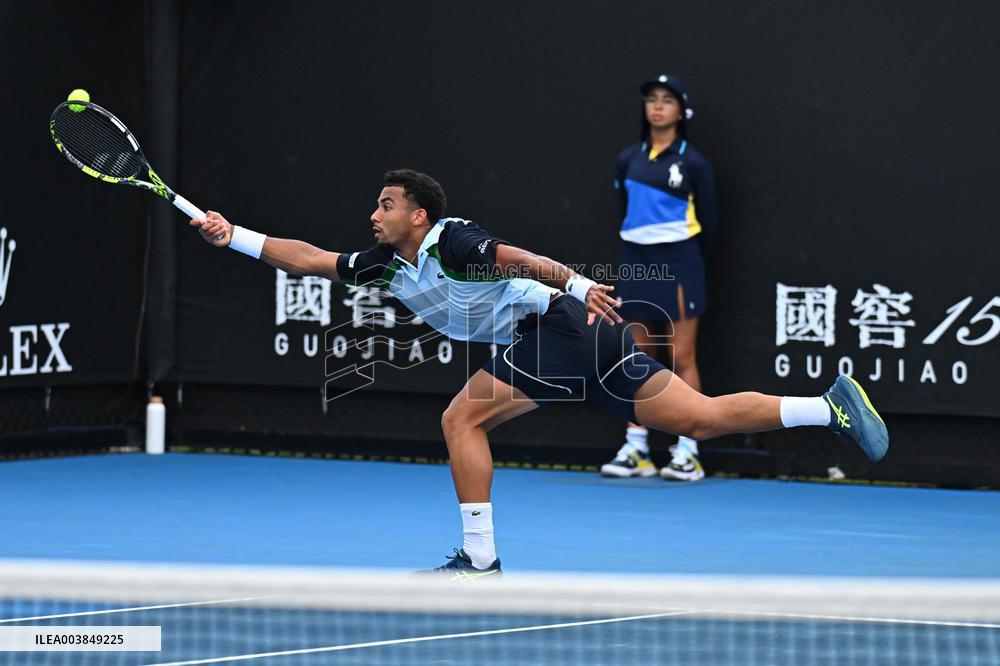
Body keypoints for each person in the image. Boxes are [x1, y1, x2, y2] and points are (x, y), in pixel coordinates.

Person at [192, 169, 888, 580]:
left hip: (555, 324)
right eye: (376, 205)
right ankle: (828, 407)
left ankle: (480, 562)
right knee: (696, 419)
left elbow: (517, 257)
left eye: (386, 204)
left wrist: (581, 284)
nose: (374, 214)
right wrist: (237, 237)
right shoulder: (385, 264)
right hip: (575, 338)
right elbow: (310, 259)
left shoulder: (451, 242)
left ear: (418, 214)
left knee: (460, 418)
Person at [601, 74, 718, 482]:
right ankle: (637, 448)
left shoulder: (694, 162)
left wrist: (681, 257)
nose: (658, 106)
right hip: (635, 260)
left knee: (682, 357)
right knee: (639, 357)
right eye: (652, 99)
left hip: (681, 263)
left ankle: (688, 450)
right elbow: (623, 210)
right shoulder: (628, 159)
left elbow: (710, 222)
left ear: (681, 111)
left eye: (667, 100)